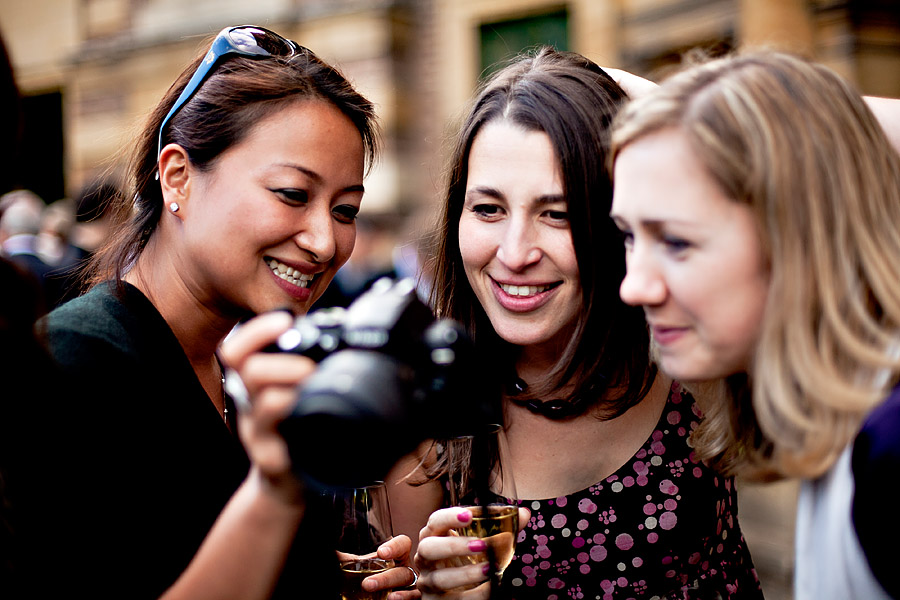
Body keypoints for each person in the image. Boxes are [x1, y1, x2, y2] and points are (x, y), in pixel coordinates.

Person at [32, 24, 415, 599]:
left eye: (346, 209)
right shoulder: (74, 363)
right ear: (178, 177)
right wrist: (273, 497)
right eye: (292, 194)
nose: (324, 241)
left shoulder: (242, 362)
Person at [408, 47, 762, 599]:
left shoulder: (692, 353)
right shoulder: (423, 418)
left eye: (560, 213)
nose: (515, 252)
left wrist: (661, 105)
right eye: (488, 209)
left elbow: (836, 178)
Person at [608, 50, 900, 600]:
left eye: (675, 241)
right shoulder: (844, 431)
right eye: (628, 235)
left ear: (801, 237)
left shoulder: (891, 448)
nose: (634, 286)